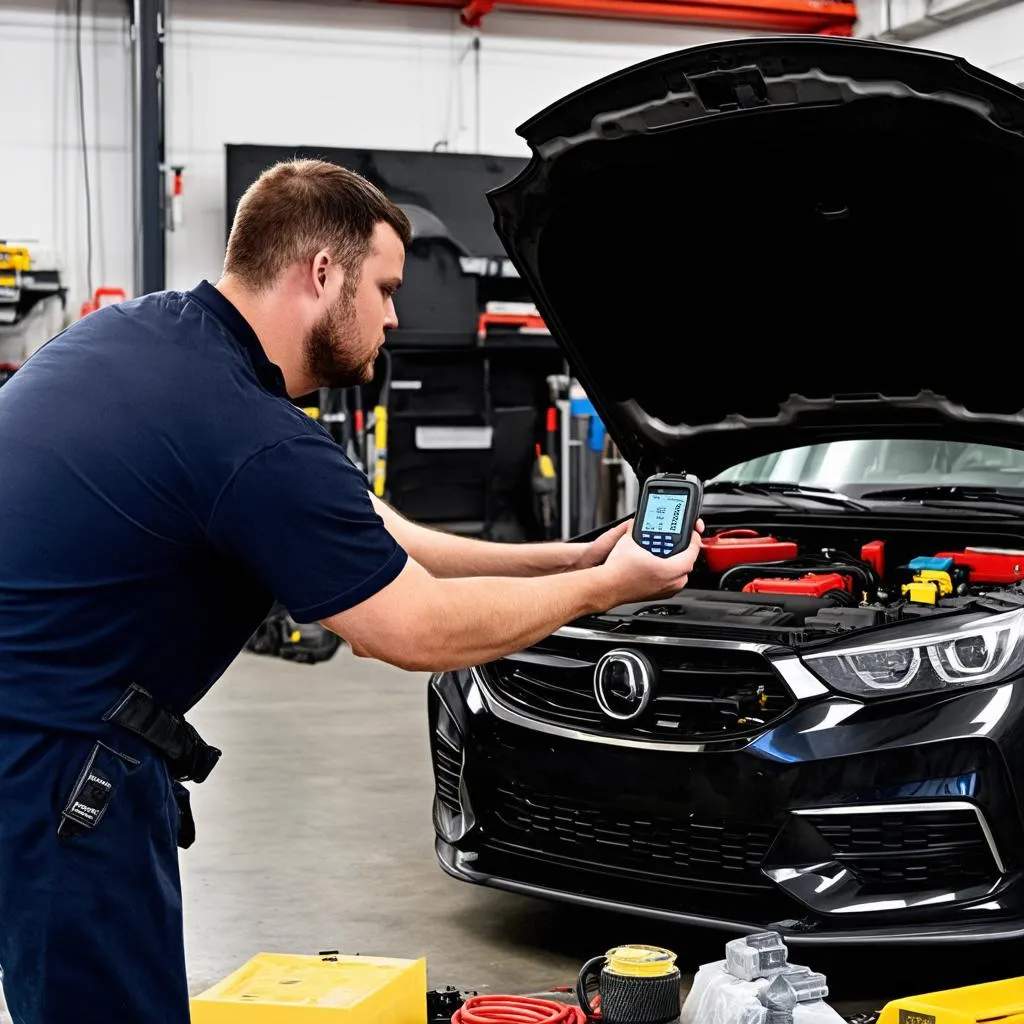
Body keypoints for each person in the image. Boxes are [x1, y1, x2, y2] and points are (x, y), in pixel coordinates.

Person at [0, 159, 702, 1023]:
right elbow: (407, 629)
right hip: (52, 766)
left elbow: (385, 538)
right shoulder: (245, 433)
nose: (395, 315)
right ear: (323, 274)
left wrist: (572, 559)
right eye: (385, 287)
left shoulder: (154, 341)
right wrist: (606, 592)